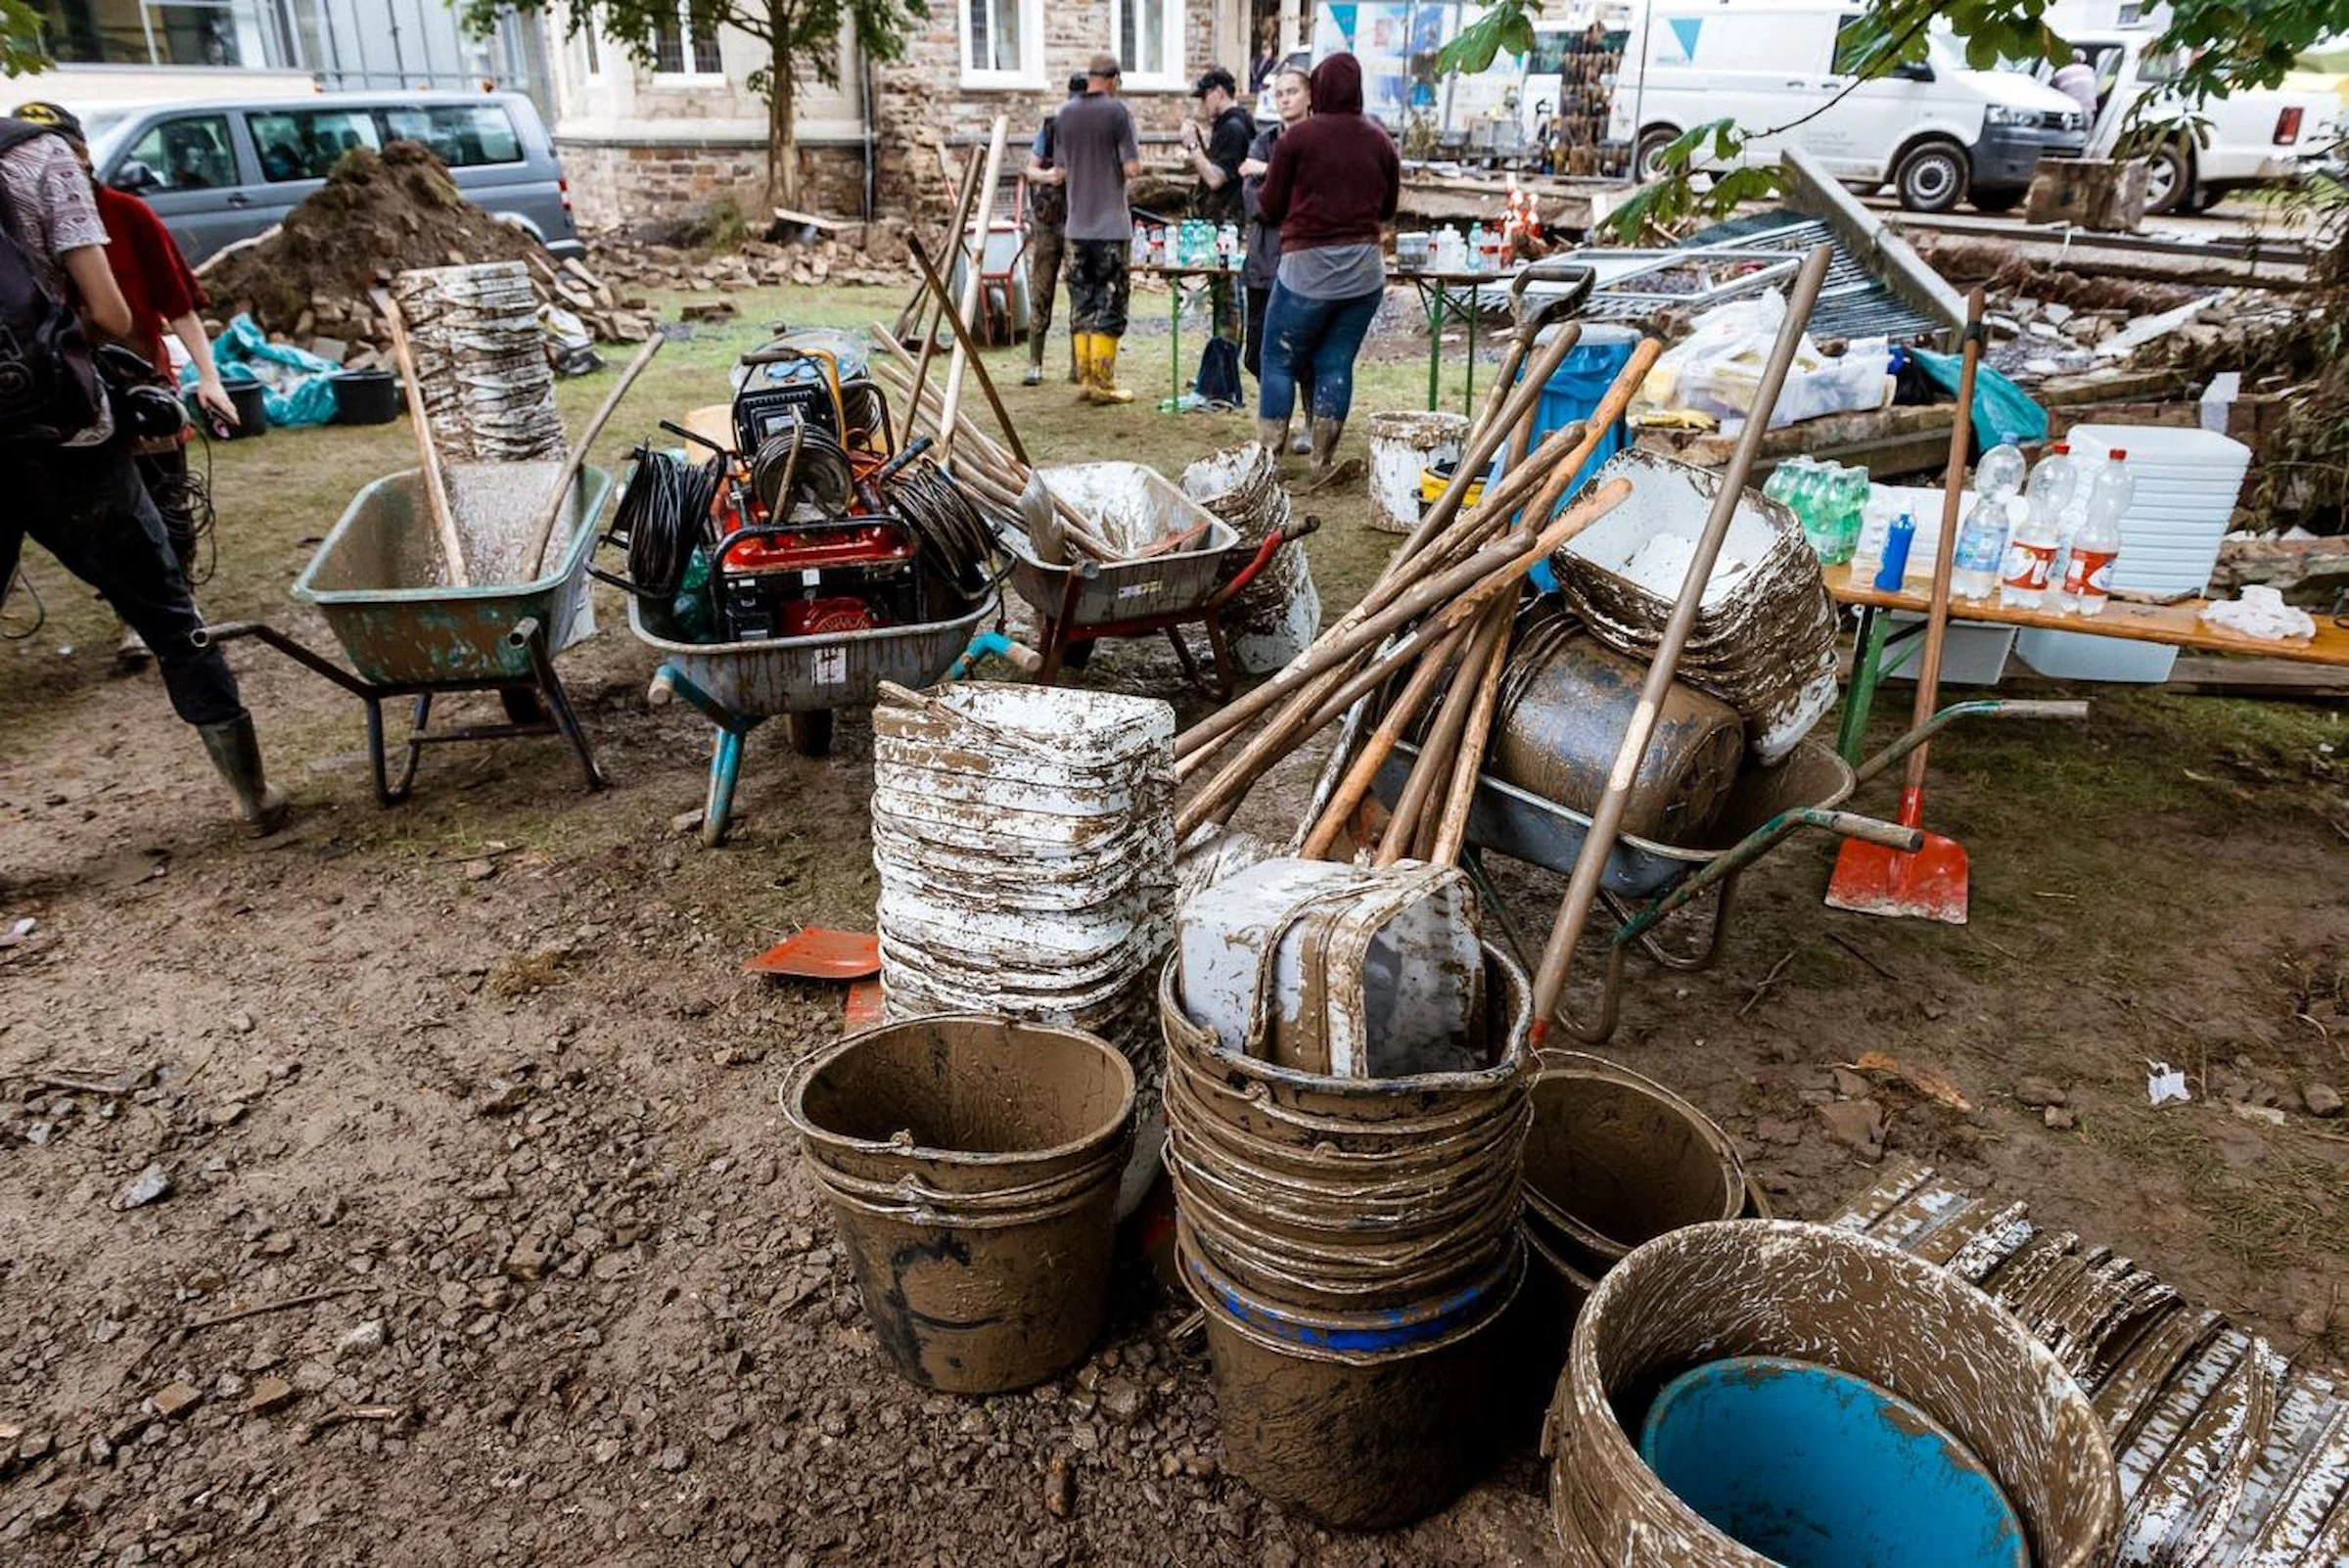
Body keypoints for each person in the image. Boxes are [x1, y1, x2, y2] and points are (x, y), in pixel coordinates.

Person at [0, 115, 286, 833]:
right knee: (168, 612)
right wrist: (61, 357)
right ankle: (251, 796)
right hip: (69, 438)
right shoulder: (38, 157)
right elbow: (109, 311)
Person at [14, 101, 240, 663]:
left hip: (139, 383)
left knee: (168, 502)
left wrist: (210, 377)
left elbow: (178, 304)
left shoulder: (128, 215)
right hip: (65, 398)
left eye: (62, 151)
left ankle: (180, 612)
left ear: (83, 156)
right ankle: (135, 618)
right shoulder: (14, 226)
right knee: (106, 518)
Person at [1255, 52, 1400, 482]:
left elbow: (1269, 205)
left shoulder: (1298, 140)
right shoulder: (1380, 140)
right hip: (1364, 272)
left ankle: (1269, 462)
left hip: (1307, 270)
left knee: (1277, 359)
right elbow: (1388, 209)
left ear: (1317, 88)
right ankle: (1321, 463)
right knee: (1335, 362)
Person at [1055, 54, 1143, 405]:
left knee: (1081, 302)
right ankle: (1103, 383)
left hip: (1075, 227)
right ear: (1113, 79)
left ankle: (1085, 380)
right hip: (1111, 227)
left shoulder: (1064, 114)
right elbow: (1132, 168)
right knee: (1110, 301)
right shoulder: (1118, 113)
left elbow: (1059, 171)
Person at [1240, 65, 1312, 452]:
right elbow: (1257, 205)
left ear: (1309, 95)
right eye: (1279, 93)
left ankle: (1306, 423)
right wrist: (1286, 188)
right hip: (1264, 263)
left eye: (1291, 91)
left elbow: (1312, 198)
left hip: (1305, 263)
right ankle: (1278, 413)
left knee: (1307, 350)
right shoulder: (1263, 142)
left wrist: (1271, 175)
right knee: (1256, 353)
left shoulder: (1319, 141)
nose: (1284, 99)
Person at [1019, 74, 1089, 388]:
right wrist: (1050, 176)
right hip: (1048, 220)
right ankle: (1035, 363)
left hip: (1079, 220)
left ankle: (1078, 365)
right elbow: (1030, 169)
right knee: (1041, 290)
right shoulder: (1051, 127)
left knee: (1079, 291)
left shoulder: (1093, 131)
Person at [1179, 66, 1254, 348]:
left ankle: (1225, 361)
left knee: (1227, 298)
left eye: (1204, 97)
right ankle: (1221, 358)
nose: (1202, 104)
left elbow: (1215, 178)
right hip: (1227, 220)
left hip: (1228, 222)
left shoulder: (1233, 128)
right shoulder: (1234, 123)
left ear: (1219, 92)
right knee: (1224, 295)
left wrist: (1193, 147)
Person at [2051, 49, 2101, 122]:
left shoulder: (2059, 73)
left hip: (2068, 110)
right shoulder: (2090, 71)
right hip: (2089, 108)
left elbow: (2052, 92)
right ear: (2082, 60)